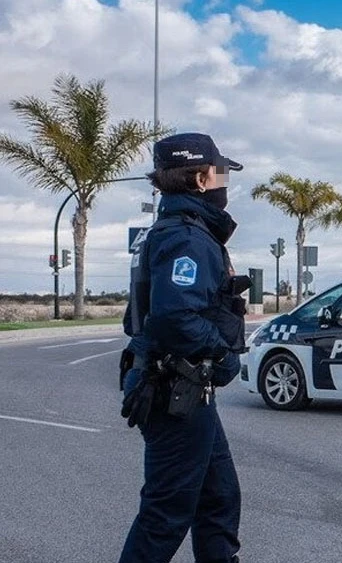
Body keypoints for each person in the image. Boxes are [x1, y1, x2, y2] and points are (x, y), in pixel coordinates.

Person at [119, 132, 248, 563]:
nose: (224, 181)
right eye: (221, 172)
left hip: (186, 390)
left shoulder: (180, 231)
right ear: (200, 178)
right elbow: (175, 317)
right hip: (175, 388)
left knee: (218, 499)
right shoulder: (187, 238)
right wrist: (224, 353)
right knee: (165, 516)